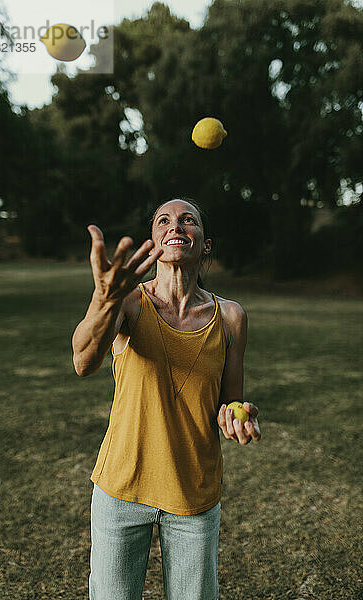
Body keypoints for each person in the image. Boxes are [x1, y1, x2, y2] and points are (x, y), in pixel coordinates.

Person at [72, 197, 261, 600]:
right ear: (153, 242)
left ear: (205, 244)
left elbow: (230, 400)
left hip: (194, 492)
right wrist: (104, 301)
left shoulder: (231, 317)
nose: (176, 226)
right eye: (163, 221)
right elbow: (83, 360)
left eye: (188, 220)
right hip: (121, 488)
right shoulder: (128, 301)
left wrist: (236, 416)